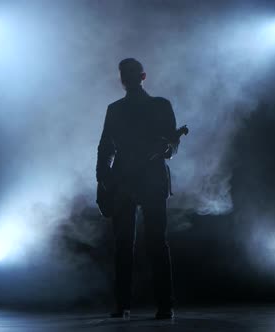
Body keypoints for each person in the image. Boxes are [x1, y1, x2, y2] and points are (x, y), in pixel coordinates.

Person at [96, 58, 179, 319]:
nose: (128, 78)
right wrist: (103, 179)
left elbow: (171, 146)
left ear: (141, 76)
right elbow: (105, 147)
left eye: (131, 74)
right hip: (124, 181)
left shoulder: (160, 105)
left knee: (155, 242)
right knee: (125, 244)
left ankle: (163, 306)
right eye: (125, 74)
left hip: (150, 180)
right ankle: (125, 305)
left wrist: (166, 148)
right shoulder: (115, 109)